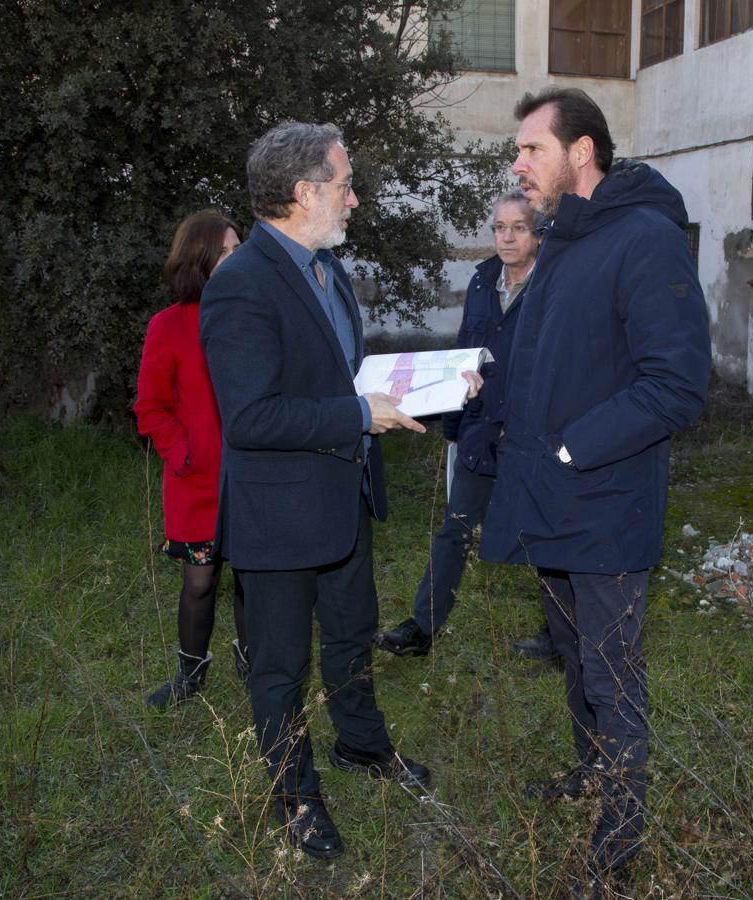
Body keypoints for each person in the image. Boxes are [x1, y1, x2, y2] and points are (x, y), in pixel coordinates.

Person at [200, 121, 479, 861]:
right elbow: (251, 416)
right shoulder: (240, 284)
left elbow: (338, 374)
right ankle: (296, 801)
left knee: (353, 640)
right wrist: (359, 414)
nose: (355, 199)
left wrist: (433, 383)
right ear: (303, 193)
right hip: (279, 516)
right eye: (345, 184)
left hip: (343, 499)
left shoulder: (328, 269)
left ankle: (362, 746)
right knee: (280, 666)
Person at [479, 88, 711, 890]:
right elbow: (550, 360)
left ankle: (614, 854)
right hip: (549, 498)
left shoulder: (643, 239)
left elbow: (676, 384)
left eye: (530, 149)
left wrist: (574, 449)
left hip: (603, 504)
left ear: (580, 153)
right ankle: (589, 776)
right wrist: (474, 390)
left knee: (613, 678)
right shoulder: (565, 242)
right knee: (576, 659)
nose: (518, 164)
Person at [375, 190, 559, 662]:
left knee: (546, 531)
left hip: (530, 434)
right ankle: (422, 626)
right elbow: (462, 355)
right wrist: (455, 425)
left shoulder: (556, 284)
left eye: (519, 227)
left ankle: (563, 637)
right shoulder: (482, 282)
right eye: (500, 227)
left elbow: (556, 366)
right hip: (480, 428)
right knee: (455, 527)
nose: (507, 237)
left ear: (538, 233)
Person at [135, 208, 248, 709]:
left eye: (237, 249)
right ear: (198, 259)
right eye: (224, 250)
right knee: (200, 582)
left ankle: (254, 663)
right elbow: (150, 407)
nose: (234, 258)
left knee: (252, 577)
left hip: (253, 475)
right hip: (197, 480)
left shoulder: (254, 313)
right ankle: (190, 674)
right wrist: (183, 454)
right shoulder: (169, 325)